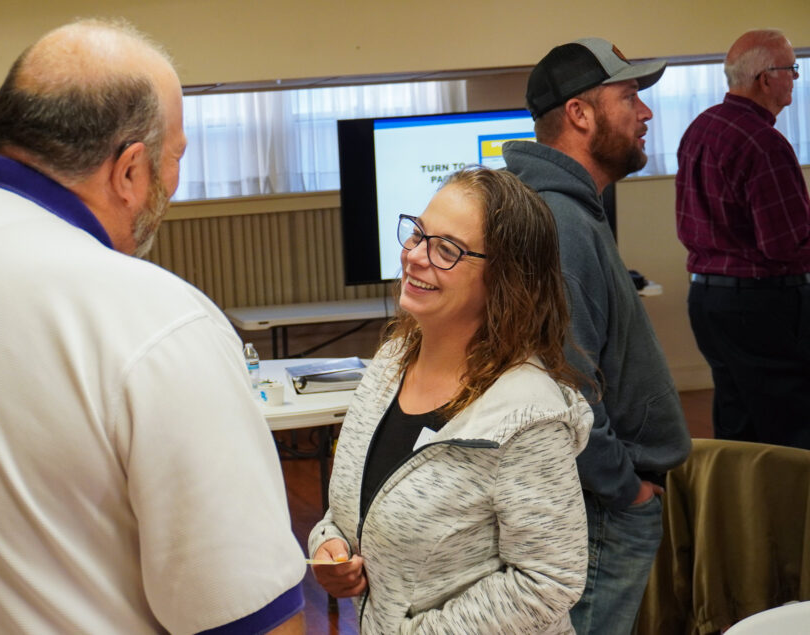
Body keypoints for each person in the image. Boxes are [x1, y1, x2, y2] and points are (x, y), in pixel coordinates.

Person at [0, 18, 306, 634]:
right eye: (174, 157)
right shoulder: (153, 319)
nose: (173, 182)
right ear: (130, 171)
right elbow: (252, 618)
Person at [308, 167, 593, 633]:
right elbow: (350, 511)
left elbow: (549, 580)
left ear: (505, 279)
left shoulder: (527, 417)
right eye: (419, 234)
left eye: (447, 250)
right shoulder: (389, 365)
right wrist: (329, 547)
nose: (416, 256)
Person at [502, 38, 692, 635]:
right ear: (580, 114)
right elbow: (564, 390)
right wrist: (626, 490)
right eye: (630, 96)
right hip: (601, 507)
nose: (646, 113)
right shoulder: (560, 223)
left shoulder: (571, 210)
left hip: (602, 499)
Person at [676, 29, 810, 450]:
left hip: (708, 303)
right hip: (762, 306)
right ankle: (791, 516)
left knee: (739, 426)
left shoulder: (702, 127)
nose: (795, 77)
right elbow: (785, 246)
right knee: (791, 430)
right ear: (766, 78)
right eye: (792, 68)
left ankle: (739, 514)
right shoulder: (765, 144)